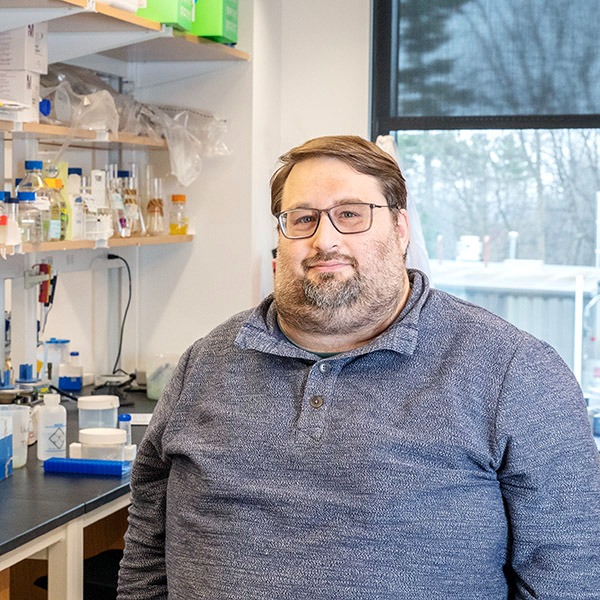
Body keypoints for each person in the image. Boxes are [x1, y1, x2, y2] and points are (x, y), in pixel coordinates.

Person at [117, 135, 600, 599]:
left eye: (350, 214)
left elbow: (570, 573)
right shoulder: (206, 361)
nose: (325, 239)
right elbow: (147, 538)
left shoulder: (513, 371)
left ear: (400, 228)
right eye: (302, 218)